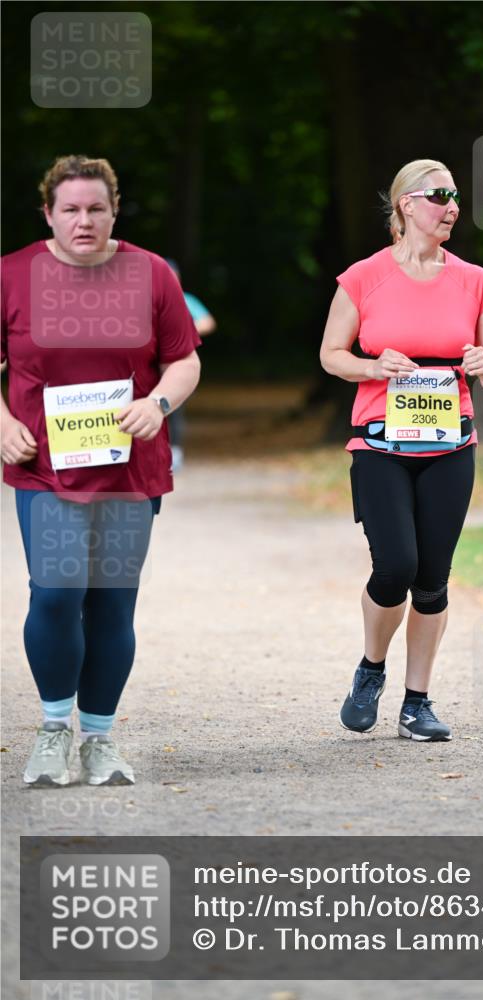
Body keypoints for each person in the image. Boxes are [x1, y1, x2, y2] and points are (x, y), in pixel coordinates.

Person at [0, 155, 201, 786]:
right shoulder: (13, 274)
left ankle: (99, 740)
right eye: (70, 209)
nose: (83, 221)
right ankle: (53, 731)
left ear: (114, 212)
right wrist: (2, 423)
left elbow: (184, 360)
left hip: (129, 470)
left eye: (95, 208)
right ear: (48, 214)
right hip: (46, 468)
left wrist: (157, 404)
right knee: (56, 593)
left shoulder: (150, 273)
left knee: (113, 605)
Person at [320, 158, 483, 742]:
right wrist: (373, 367)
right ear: (407, 204)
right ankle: (371, 669)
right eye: (440, 196)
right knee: (395, 565)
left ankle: (417, 703)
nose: (453, 207)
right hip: (380, 443)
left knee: (432, 578)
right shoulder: (363, 277)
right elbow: (331, 354)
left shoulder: (477, 282)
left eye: (456, 198)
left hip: (450, 445)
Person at [164, 259, 216, 471]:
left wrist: (182, 331)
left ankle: (175, 452)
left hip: (178, 366)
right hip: (151, 368)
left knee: (174, 409)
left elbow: (208, 323)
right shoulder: (145, 300)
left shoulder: (186, 300)